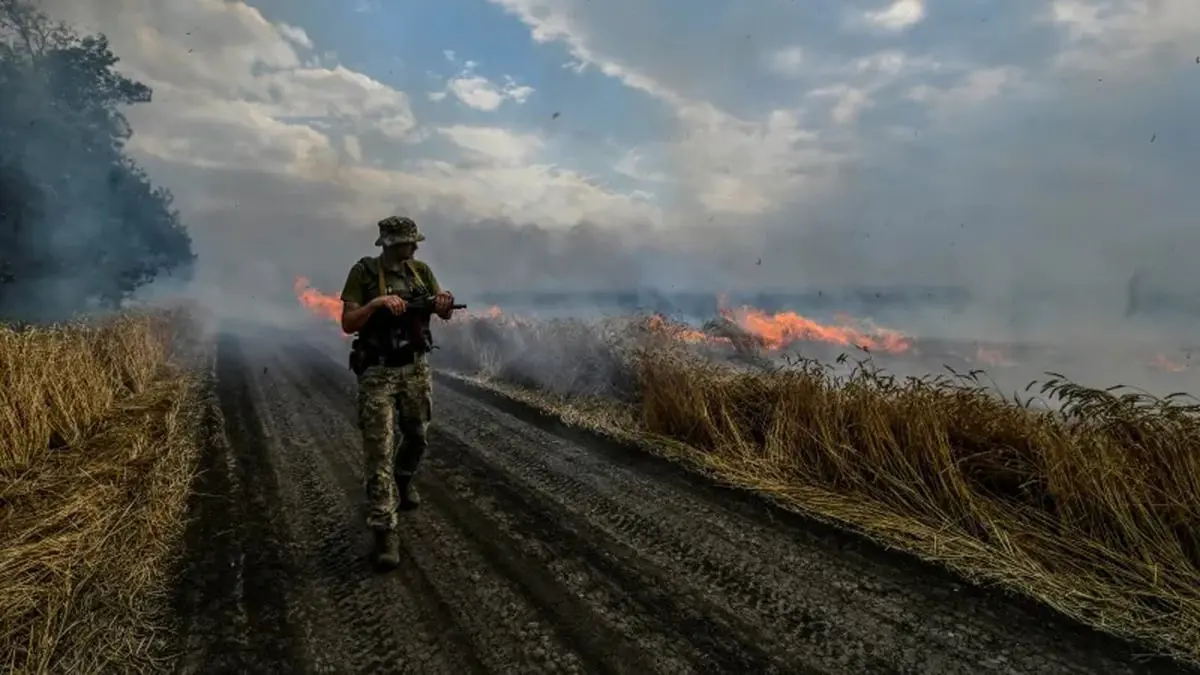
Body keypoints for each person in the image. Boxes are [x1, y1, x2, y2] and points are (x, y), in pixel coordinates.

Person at [339, 215, 456, 570]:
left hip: (416, 369)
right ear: (391, 244)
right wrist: (376, 305)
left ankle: (405, 478)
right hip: (378, 372)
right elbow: (348, 322)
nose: (415, 247)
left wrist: (443, 303)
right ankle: (385, 534)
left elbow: (442, 310)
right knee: (378, 454)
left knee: (418, 437)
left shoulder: (420, 271)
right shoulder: (363, 273)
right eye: (409, 242)